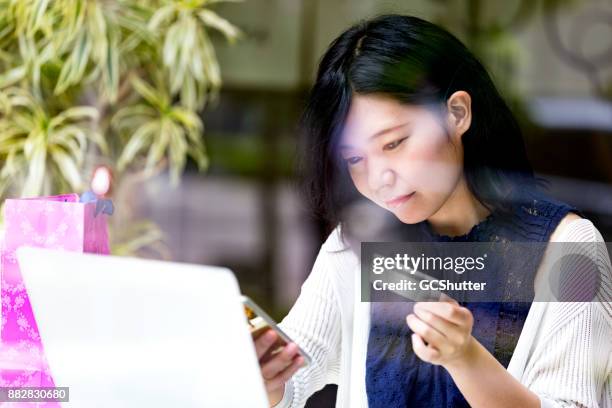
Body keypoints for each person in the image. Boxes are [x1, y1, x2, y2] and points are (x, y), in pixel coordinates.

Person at [252, 14, 612, 408]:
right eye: (354, 158)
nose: (379, 178)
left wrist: (465, 358)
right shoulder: (357, 241)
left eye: (393, 143)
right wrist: (266, 375)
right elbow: (295, 376)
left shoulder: (571, 249)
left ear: (457, 113)